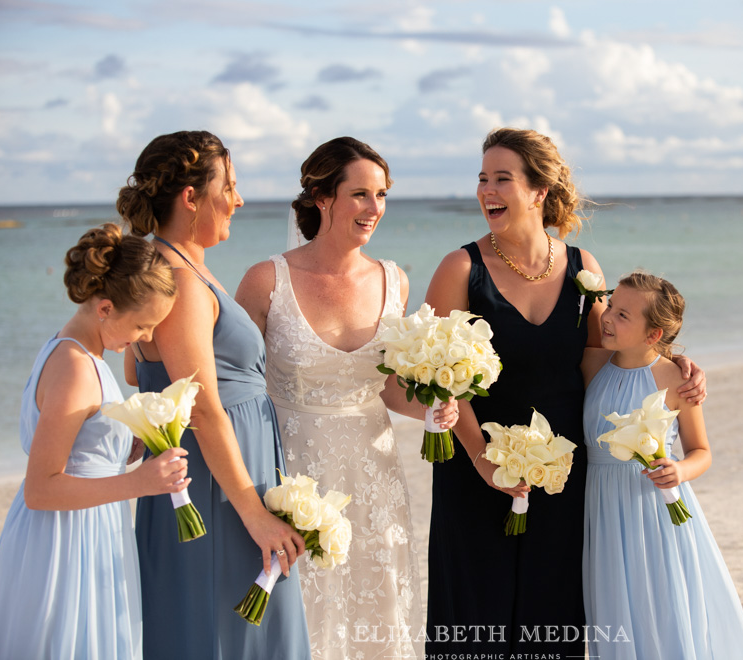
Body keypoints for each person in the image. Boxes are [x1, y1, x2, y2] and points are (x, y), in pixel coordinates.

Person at [424, 127, 707, 656]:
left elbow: (606, 361)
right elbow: (442, 380)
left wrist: (673, 364)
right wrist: (485, 462)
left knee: (553, 614)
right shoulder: (459, 268)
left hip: (562, 471)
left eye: (502, 179)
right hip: (474, 468)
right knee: (474, 616)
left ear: (538, 190)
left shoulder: (584, 269)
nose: (487, 189)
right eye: (482, 178)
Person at [237, 136, 457, 659]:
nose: (373, 208)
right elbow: (239, 389)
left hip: (374, 474)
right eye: (359, 194)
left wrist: (430, 406)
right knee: (303, 612)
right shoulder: (267, 280)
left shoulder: (393, 279)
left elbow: (386, 386)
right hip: (293, 473)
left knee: (376, 609)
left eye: (381, 195)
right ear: (320, 197)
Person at [118, 131, 311, 659]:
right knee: (222, 631)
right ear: (190, 197)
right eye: (229, 185)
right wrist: (253, 510)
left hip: (227, 474)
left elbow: (138, 373)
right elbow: (201, 402)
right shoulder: (176, 275)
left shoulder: (174, 267)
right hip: (215, 488)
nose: (239, 199)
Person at [0, 224, 188, 659]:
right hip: (65, 541)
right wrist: (139, 483)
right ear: (104, 307)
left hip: (87, 527)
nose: (144, 339)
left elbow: (79, 445)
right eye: (142, 326)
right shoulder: (75, 367)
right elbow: (41, 487)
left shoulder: (78, 352)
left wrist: (125, 444)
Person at [581, 271, 743, 659]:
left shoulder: (676, 378)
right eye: (611, 305)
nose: (607, 316)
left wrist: (679, 470)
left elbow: (701, 451)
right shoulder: (592, 364)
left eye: (623, 315)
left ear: (653, 335)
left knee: (661, 603)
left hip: (654, 508)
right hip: (604, 510)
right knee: (614, 606)